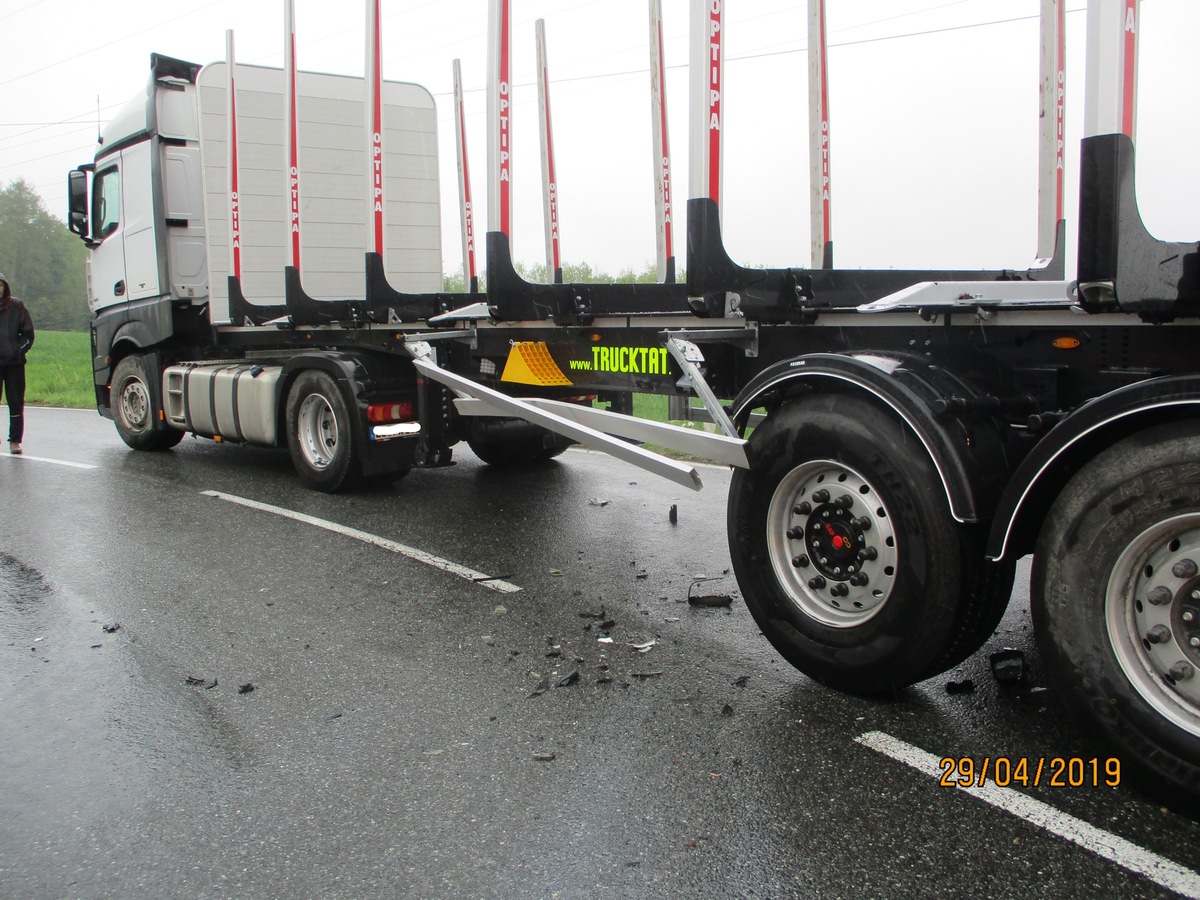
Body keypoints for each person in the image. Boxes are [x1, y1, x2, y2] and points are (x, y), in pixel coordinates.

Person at [0, 273, 35, 455]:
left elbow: (28, 334)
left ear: (5, 287)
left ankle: (15, 441)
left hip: (14, 363)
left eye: (0, 285)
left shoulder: (16, 306)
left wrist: (17, 350)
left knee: (15, 402)